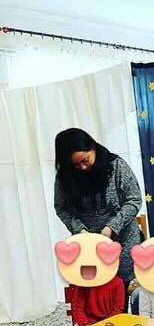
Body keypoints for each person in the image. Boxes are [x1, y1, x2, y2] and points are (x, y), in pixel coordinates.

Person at [54, 128, 142, 308]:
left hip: (123, 244)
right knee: (95, 301)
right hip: (89, 248)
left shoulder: (116, 166)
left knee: (123, 298)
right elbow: (61, 208)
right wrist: (80, 230)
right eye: (76, 165)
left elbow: (134, 200)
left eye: (85, 160)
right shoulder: (65, 176)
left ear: (92, 147)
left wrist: (111, 227)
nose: (82, 167)